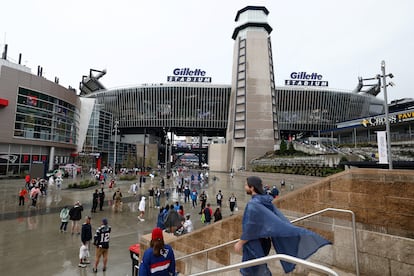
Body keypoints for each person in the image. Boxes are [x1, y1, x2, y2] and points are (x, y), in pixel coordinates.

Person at [234, 176, 331, 275]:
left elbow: (251, 228)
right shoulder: (264, 200)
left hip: (256, 243)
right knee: (257, 268)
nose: (244, 186)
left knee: (253, 271)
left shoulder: (253, 205)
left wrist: (240, 243)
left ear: (252, 187)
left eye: (246, 185)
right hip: (265, 242)